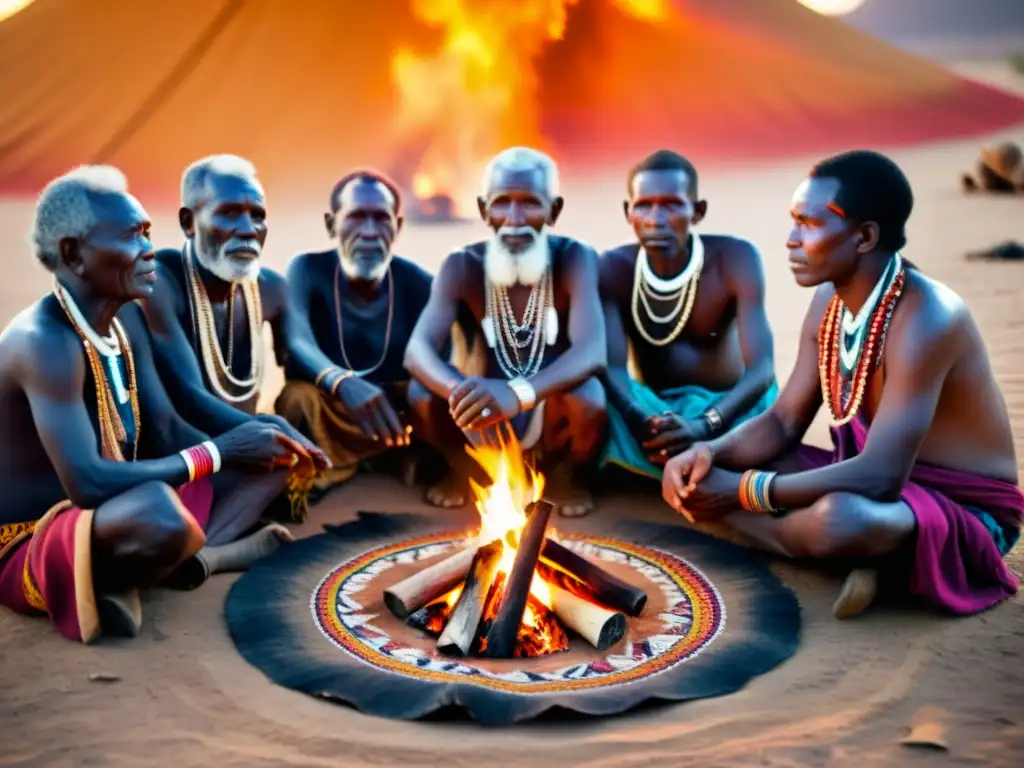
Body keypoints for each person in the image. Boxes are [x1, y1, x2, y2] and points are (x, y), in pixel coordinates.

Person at [662, 150, 1023, 619]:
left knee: (841, 520)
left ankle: (848, 549)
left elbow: (880, 475)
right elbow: (784, 420)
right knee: (698, 470)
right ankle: (869, 559)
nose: (791, 241)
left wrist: (740, 493)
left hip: (965, 512)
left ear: (864, 236)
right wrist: (711, 453)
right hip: (872, 481)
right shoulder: (830, 299)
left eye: (809, 225)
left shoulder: (929, 316)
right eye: (794, 222)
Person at [0, 166, 315, 643]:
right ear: (73, 254)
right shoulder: (42, 341)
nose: (149, 249)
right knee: (159, 512)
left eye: (148, 232)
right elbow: (86, 483)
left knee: (270, 458)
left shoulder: (124, 315)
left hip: (120, 499)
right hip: (35, 536)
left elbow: (165, 424)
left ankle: (182, 563)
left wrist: (253, 445)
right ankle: (162, 560)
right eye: (132, 236)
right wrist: (219, 452)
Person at [404, 146, 607, 517]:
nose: (514, 218)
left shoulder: (575, 258)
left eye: (530, 202)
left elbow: (592, 350)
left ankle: (563, 477)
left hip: (547, 408)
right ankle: (462, 470)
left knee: (589, 397)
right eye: (502, 203)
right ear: (483, 210)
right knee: (421, 393)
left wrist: (518, 394)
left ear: (554, 210)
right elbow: (417, 351)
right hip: (479, 413)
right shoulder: (462, 264)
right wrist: (462, 393)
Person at [140, 155, 327, 518]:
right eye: (228, 213)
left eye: (257, 215)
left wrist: (341, 381)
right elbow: (188, 396)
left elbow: (301, 353)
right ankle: (212, 549)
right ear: (188, 222)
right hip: (181, 453)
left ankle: (208, 546)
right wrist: (272, 427)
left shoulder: (271, 289)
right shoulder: (161, 281)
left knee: (290, 439)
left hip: (246, 452)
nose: (247, 229)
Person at [599, 149, 777, 481]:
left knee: (767, 422)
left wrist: (704, 424)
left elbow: (762, 369)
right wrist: (639, 419)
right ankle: (674, 459)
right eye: (643, 205)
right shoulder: (613, 268)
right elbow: (611, 367)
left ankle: (694, 464)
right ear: (628, 212)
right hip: (654, 410)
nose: (655, 219)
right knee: (592, 399)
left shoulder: (735, 258)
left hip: (730, 409)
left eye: (671, 205)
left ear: (697, 211)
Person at [274, 170, 436, 492]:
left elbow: (442, 358)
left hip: (393, 419)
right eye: (355, 218)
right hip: (330, 412)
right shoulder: (306, 269)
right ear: (331, 224)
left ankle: (424, 462)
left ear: (398, 226)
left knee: (428, 395)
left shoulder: (418, 282)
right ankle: (316, 473)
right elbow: (297, 340)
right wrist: (343, 384)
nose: (369, 232)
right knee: (296, 400)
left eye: (381, 219)